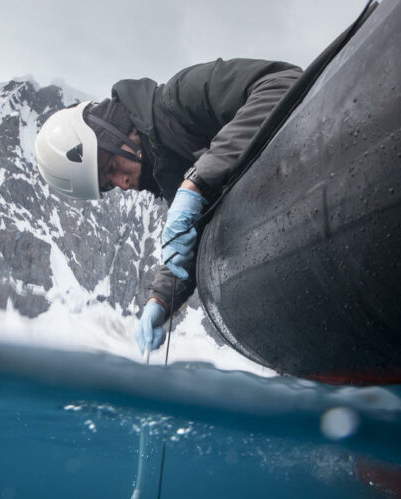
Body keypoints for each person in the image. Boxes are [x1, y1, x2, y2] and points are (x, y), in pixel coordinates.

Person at [34, 58, 302, 356]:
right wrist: (159, 301)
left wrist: (197, 181)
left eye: (111, 167)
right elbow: (190, 246)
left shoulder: (181, 96)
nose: (122, 183)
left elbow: (282, 82)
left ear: (116, 133)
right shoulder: (168, 177)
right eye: (110, 185)